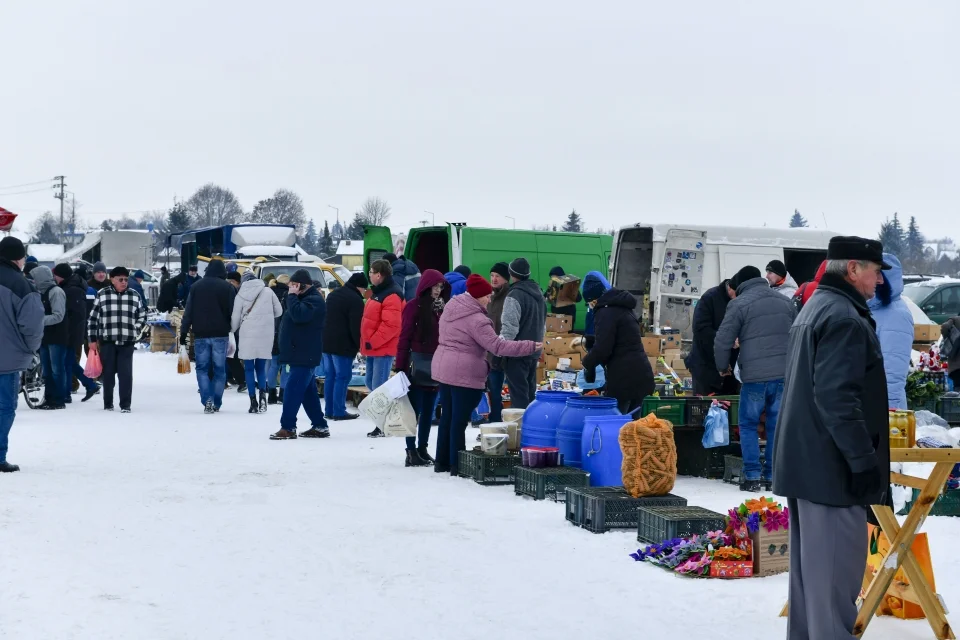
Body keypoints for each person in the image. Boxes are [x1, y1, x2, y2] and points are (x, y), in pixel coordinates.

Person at [773, 237, 890, 639]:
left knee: (812, 588)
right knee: (835, 585)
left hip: (809, 464)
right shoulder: (843, 316)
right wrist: (861, 461)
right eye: (875, 271)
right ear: (853, 269)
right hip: (831, 470)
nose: (879, 281)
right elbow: (838, 398)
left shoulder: (817, 306)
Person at [432, 275, 540, 474]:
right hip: (464, 372)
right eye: (486, 296)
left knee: (447, 416)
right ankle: (457, 464)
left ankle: (442, 462)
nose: (489, 300)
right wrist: (530, 346)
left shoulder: (451, 307)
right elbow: (497, 346)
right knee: (459, 420)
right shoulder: (477, 320)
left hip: (444, 368)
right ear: (477, 296)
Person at [714, 265, 797, 492]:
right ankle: (771, 476)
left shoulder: (739, 304)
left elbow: (723, 340)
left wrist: (723, 367)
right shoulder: (785, 302)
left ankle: (752, 477)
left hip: (754, 378)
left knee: (749, 425)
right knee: (775, 426)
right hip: (782, 375)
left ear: (741, 285)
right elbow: (799, 334)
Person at [395, 269, 451, 467]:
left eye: (440, 286)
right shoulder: (413, 307)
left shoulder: (442, 309)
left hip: (435, 365)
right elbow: (404, 338)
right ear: (426, 285)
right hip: (416, 367)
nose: (437, 290)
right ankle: (411, 451)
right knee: (413, 411)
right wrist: (400, 366)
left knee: (429, 411)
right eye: (435, 286)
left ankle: (422, 449)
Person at [0, 237, 44, 472]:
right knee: (4, 408)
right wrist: (29, 349)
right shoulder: (23, 285)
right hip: (6, 360)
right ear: (18, 259)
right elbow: (33, 326)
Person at [271, 269, 329, 440]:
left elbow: (299, 316)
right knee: (307, 392)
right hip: (299, 353)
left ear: (303, 285)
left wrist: (292, 296)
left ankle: (288, 427)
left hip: (304, 354)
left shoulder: (314, 300)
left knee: (293, 390)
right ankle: (320, 425)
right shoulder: (302, 299)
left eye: (294, 286)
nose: (291, 289)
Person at [581, 282, 655, 414]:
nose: (590, 306)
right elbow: (618, 339)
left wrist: (587, 363)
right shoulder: (621, 307)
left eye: (589, 302)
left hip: (623, 380)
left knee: (616, 426)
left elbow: (603, 349)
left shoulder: (605, 312)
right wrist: (589, 340)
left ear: (594, 299)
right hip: (641, 375)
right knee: (634, 429)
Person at [179, 259, 236, 414]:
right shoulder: (228, 287)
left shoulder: (196, 286)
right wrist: (234, 329)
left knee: (202, 369)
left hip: (201, 335)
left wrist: (183, 333)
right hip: (221, 334)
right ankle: (216, 402)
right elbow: (233, 312)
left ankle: (207, 400)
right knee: (219, 370)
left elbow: (188, 312)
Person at [88, 266, 147, 412]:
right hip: (108, 341)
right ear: (112, 280)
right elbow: (93, 318)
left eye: (126, 279)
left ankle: (125, 405)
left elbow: (142, 315)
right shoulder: (102, 294)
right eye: (120, 279)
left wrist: (136, 328)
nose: (124, 282)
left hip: (127, 342)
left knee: (125, 374)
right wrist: (92, 339)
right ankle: (108, 403)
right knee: (108, 374)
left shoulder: (134, 295)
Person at [362, 259, 405, 438]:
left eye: (371, 272)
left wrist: (373, 341)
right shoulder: (378, 292)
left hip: (382, 348)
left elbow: (391, 325)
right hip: (373, 347)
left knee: (379, 388)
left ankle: (383, 424)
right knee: (371, 384)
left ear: (379, 275)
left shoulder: (392, 295)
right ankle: (380, 422)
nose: (369, 275)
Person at [232, 271, 284, 414]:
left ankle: (253, 401)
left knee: (249, 368)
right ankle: (263, 397)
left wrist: (232, 330)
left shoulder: (240, 294)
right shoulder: (268, 291)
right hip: (265, 334)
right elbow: (279, 311)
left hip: (247, 334)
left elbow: (235, 319)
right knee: (261, 368)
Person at [867, 253, 913, 410]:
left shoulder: (897, 314)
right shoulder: (870, 307)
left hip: (884, 407)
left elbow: (893, 371)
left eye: (879, 272)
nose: (876, 278)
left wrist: (889, 410)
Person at [499, 257, 546, 409]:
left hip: (517, 353)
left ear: (511, 274)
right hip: (533, 350)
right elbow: (543, 324)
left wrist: (500, 348)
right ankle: (531, 425)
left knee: (519, 396)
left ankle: (521, 429)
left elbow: (509, 328)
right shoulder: (538, 293)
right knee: (530, 393)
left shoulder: (514, 295)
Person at [322, 273, 367, 420]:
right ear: (359, 287)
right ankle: (339, 411)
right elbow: (356, 327)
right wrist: (359, 345)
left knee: (330, 376)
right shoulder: (355, 300)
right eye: (364, 290)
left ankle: (329, 410)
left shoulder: (333, 295)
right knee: (343, 377)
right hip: (343, 345)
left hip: (327, 343)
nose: (364, 293)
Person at [53, 264, 100, 403]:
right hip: (73, 332)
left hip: (71, 332)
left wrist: (67, 331)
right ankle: (89, 385)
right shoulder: (72, 287)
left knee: (67, 363)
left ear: (61, 275)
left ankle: (69, 393)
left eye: (55, 275)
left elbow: (76, 315)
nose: (54, 278)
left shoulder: (71, 290)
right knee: (70, 362)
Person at [686, 279, 739, 396]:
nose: (738, 298)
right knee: (704, 409)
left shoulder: (738, 302)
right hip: (705, 367)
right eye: (737, 294)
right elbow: (701, 330)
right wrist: (727, 341)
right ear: (730, 287)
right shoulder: (710, 298)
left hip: (729, 371)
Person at [32, 266, 70, 410]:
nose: (34, 281)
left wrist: (38, 320)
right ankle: (49, 398)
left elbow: (58, 315)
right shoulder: (41, 293)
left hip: (57, 337)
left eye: (36, 278)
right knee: (47, 371)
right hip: (45, 337)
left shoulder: (56, 292)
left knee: (57, 370)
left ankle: (59, 399)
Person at [485, 262, 511, 422]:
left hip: (504, 350)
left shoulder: (509, 297)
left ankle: (497, 423)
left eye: (498, 276)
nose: (494, 279)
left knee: (497, 390)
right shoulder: (490, 296)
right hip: (488, 352)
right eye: (492, 275)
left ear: (506, 279)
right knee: (491, 391)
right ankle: (493, 422)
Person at [580, 270, 611, 350]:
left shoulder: (609, 311)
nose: (591, 304)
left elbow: (603, 341)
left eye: (593, 302)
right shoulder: (593, 309)